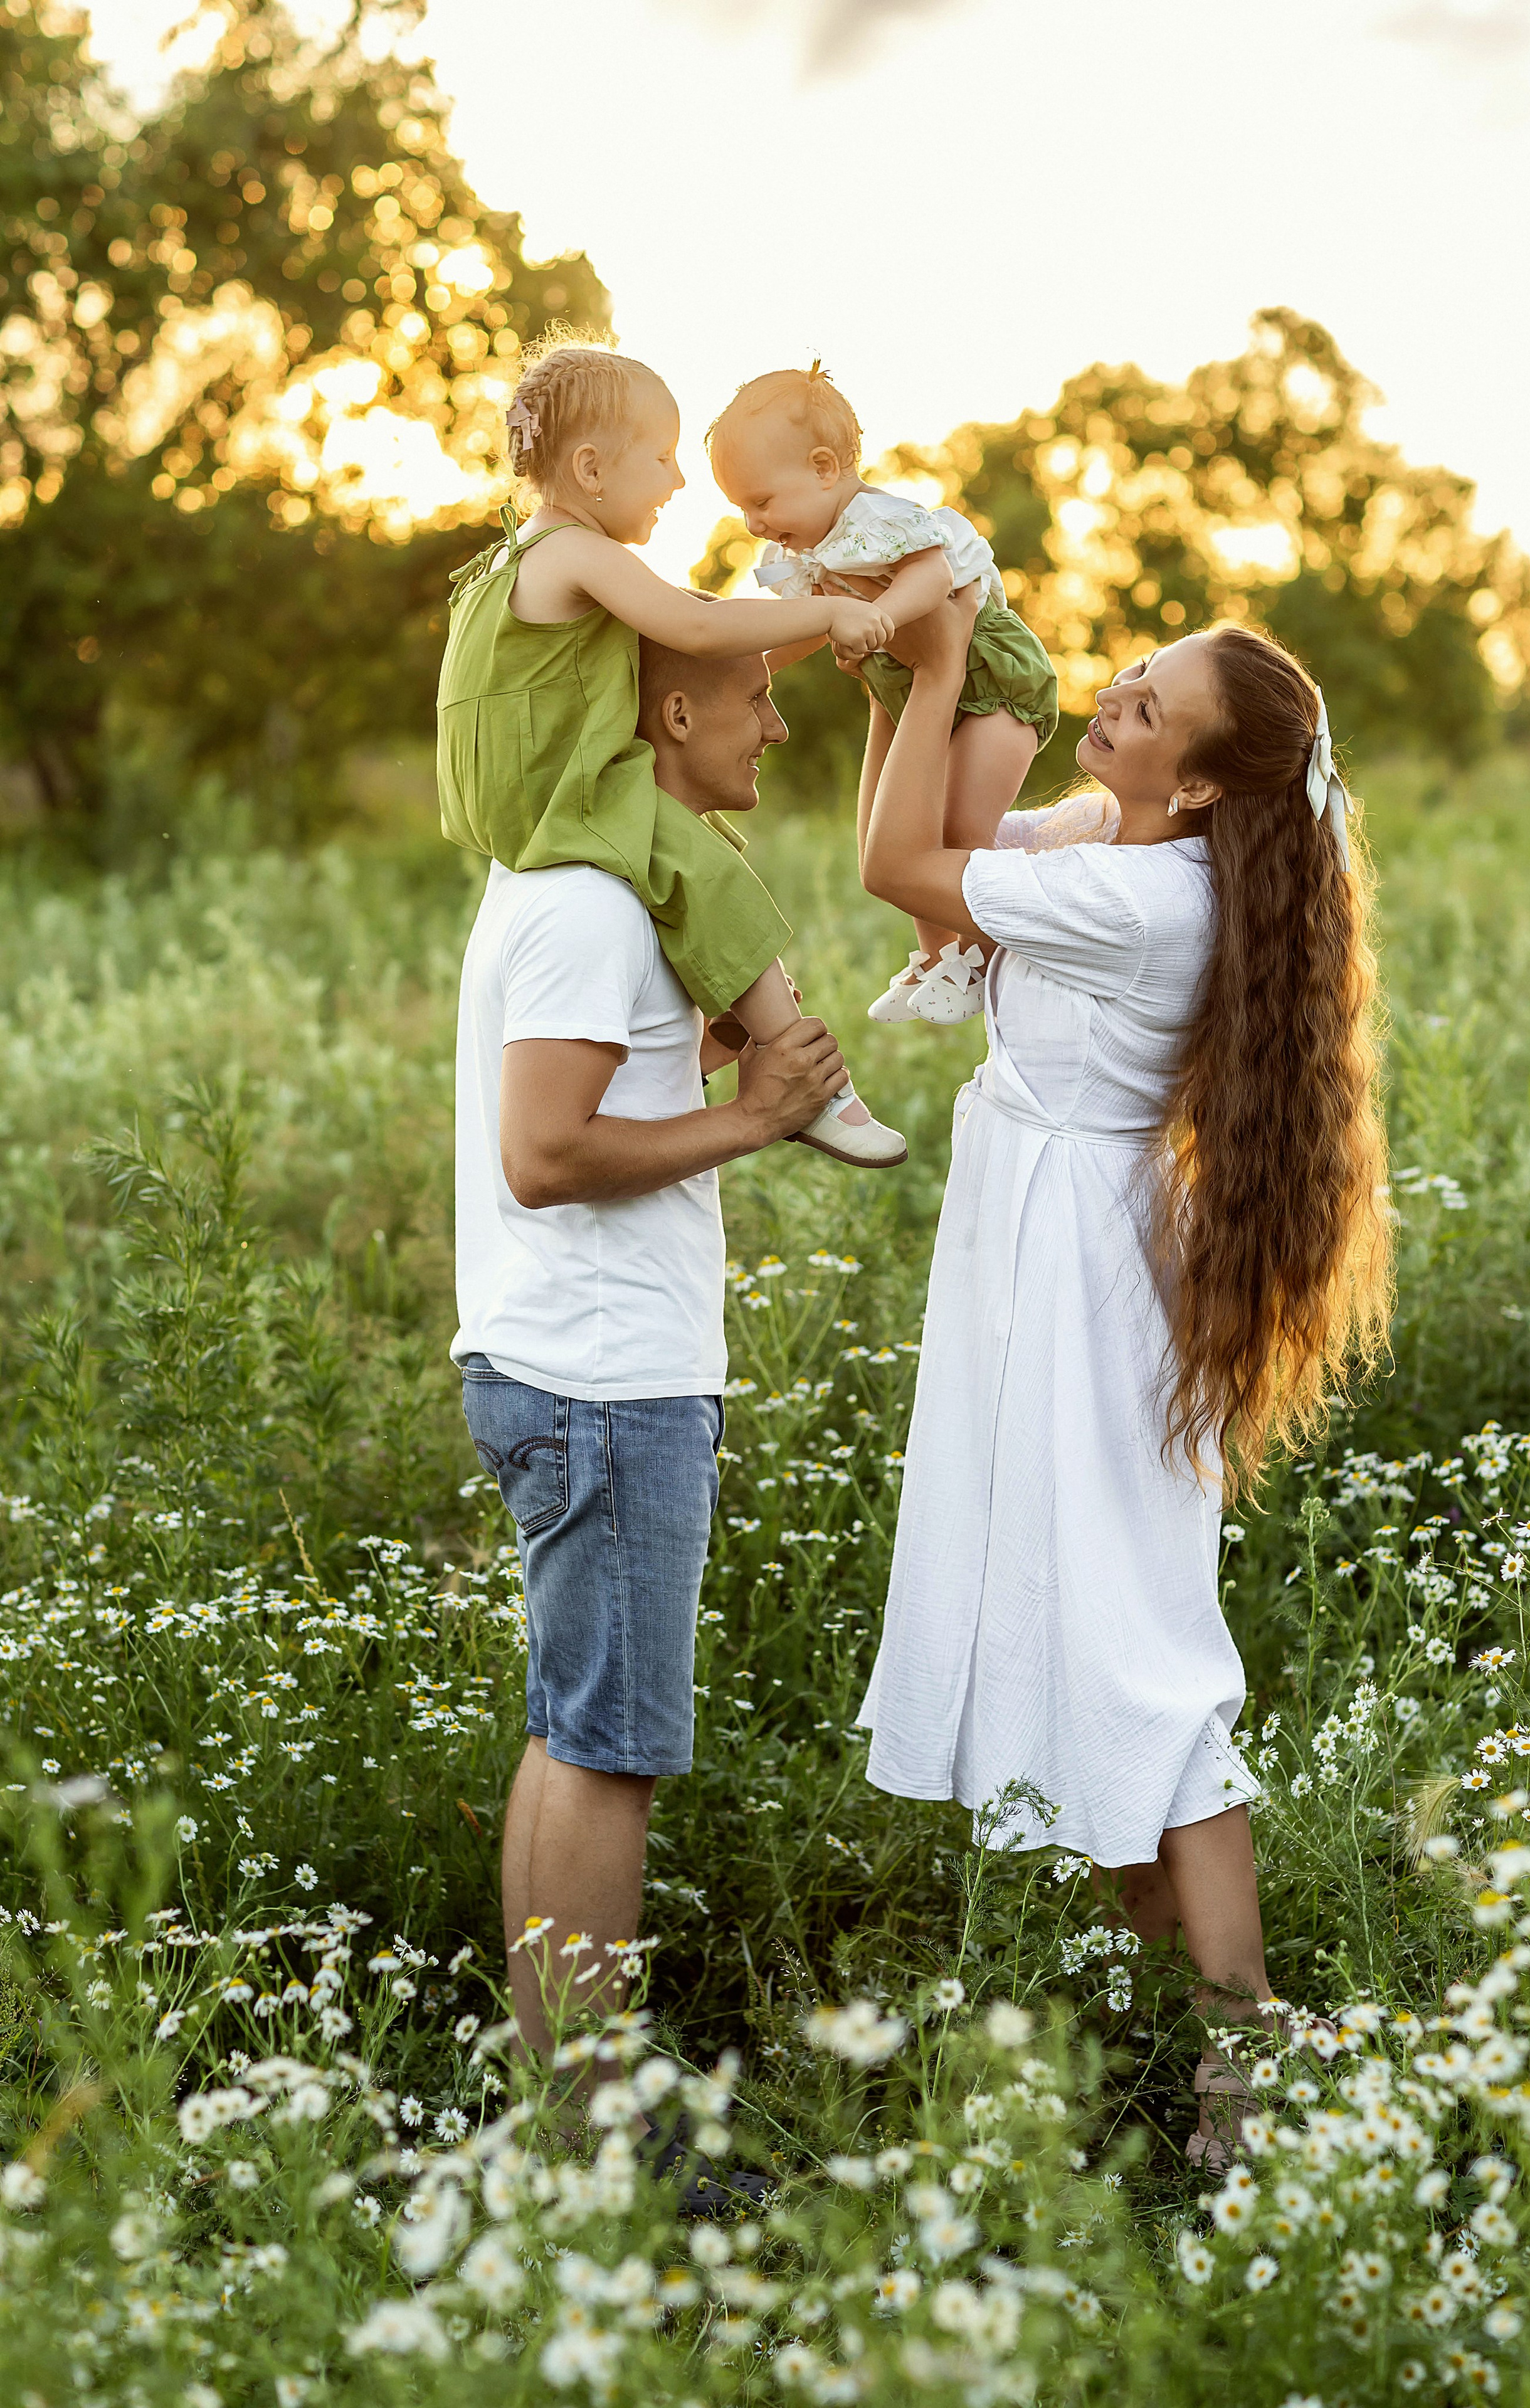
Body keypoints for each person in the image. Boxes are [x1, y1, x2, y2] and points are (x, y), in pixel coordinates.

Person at [852, 588, 1391, 2171]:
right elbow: (935, 834)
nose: (1111, 700)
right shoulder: (1116, 835)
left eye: (1146, 707)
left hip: (1078, 1273)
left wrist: (937, 672)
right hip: (1044, 1246)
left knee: (1140, 1649)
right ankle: (1170, 2011)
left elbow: (895, 869)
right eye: (1131, 675)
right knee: (1067, 1619)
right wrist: (897, 686)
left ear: (1202, 783)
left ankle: (1242, 2041)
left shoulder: (1144, 897)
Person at [453, 628, 841, 2205]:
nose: (777, 727)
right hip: (602, 1377)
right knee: (607, 1754)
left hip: (576, 1364)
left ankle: (562, 2118)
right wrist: (753, 1118)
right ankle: (595, 2149)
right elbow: (543, 1152)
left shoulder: (589, 882)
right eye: (757, 697)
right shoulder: (594, 904)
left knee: (573, 1734)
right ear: (672, 711)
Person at [437, 336, 905, 1168]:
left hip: (529, 796)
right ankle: (802, 1068)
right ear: (590, 468)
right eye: (661, 457)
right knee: (704, 865)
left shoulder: (508, 562)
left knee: (692, 853)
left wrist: (823, 623)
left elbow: (719, 652)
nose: (679, 480)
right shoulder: (576, 553)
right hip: (565, 789)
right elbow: (697, 628)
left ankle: (728, 1026)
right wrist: (831, 614)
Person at [707, 363, 1058, 1027]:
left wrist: (882, 618)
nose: (752, 523)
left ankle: (984, 960)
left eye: (760, 502)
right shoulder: (813, 555)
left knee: (960, 830)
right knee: (891, 839)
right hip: (908, 684)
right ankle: (940, 957)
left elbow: (933, 576)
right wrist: (748, 665)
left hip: (990, 678)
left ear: (823, 468)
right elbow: (801, 629)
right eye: (741, 510)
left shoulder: (879, 521)